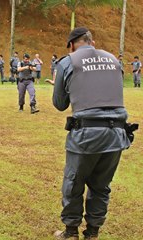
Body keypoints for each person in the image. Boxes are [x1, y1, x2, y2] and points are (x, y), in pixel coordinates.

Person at [53, 27, 134, 240]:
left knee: (73, 182)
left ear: (71, 45)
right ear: (93, 42)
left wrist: (62, 86)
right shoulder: (115, 61)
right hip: (117, 133)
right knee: (101, 186)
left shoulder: (67, 62)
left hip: (86, 134)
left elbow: (60, 104)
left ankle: (71, 232)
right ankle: (93, 233)